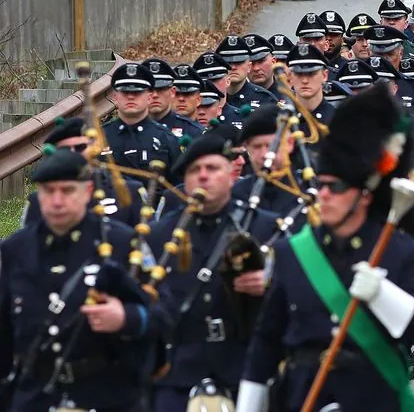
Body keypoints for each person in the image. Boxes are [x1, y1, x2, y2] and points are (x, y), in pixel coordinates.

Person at [237, 86, 414, 412]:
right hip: (303, 392)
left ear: (362, 195)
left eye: (335, 187)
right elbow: (266, 343)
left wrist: (382, 294)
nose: (323, 195)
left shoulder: (400, 250)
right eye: (321, 185)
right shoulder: (292, 253)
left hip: (372, 392)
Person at [1, 148, 171, 412]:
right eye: (48, 191)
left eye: (67, 191)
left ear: (88, 192)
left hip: (105, 394)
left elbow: (164, 312)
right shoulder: (15, 249)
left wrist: (127, 318)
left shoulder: (123, 243)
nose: (57, 201)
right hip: (35, 394)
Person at [150, 128, 280, 411]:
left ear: (232, 173)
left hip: (245, 369)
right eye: (195, 169)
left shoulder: (264, 225)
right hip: (178, 373)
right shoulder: (160, 235)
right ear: (185, 179)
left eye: (213, 168)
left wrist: (269, 283)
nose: (204, 176)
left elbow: (294, 295)